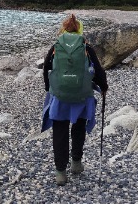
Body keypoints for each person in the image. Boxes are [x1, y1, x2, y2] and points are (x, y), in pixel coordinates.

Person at [41, 14, 108, 186]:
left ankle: (60, 173)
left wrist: (49, 88)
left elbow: (46, 67)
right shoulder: (85, 46)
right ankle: (76, 163)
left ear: (63, 29)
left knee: (60, 132)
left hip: (60, 97)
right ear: (79, 29)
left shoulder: (56, 46)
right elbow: (99, 71)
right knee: (78, 129)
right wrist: (104, 87)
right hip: (81, 96)